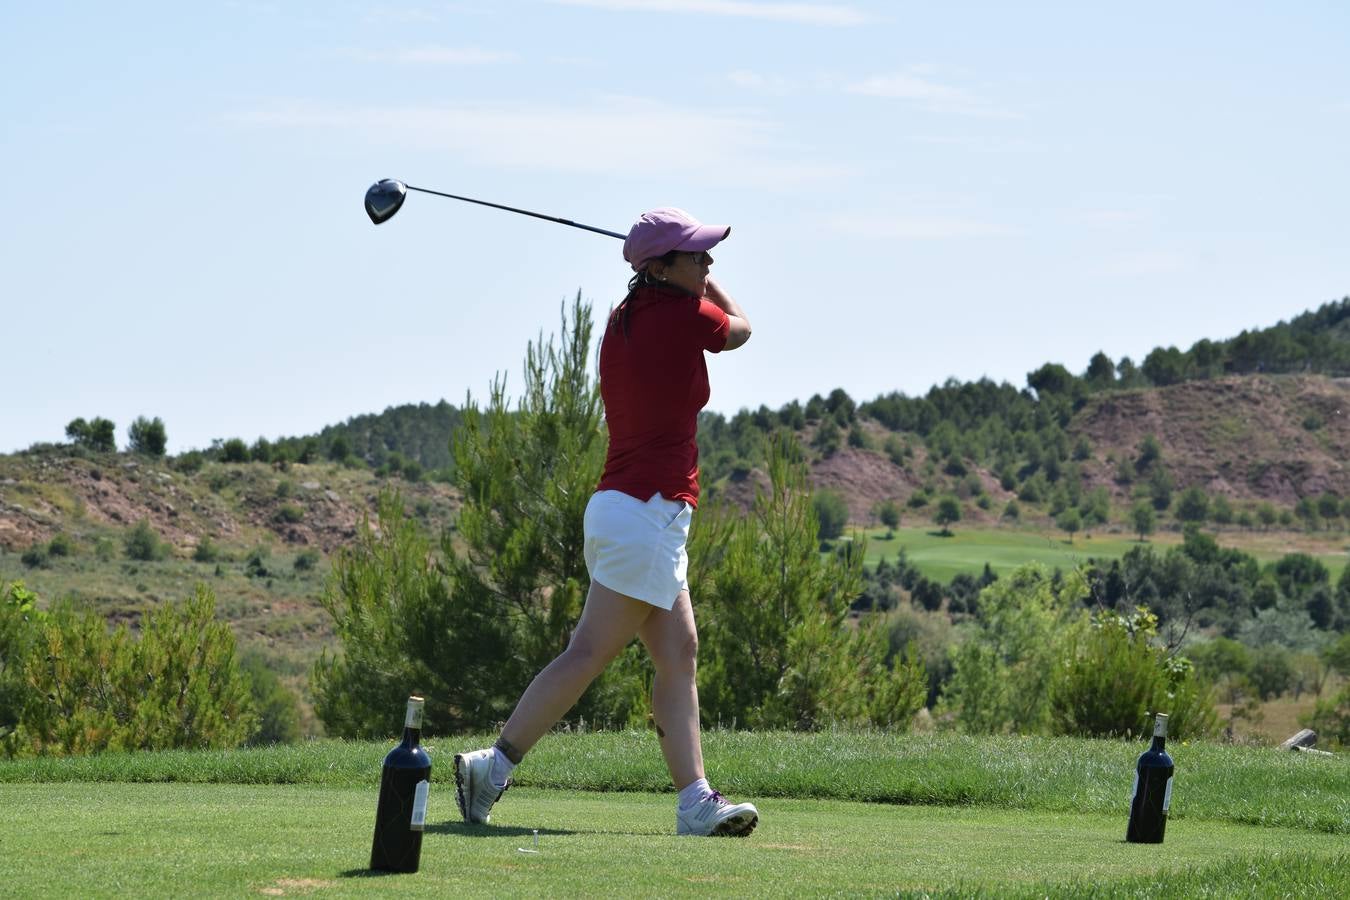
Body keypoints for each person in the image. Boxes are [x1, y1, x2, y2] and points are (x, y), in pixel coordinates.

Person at [454, 207, 758, 837]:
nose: (707, 263)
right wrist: (714, 288)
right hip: (648, 509)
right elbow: (742, 332)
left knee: (678, 652)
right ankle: (494, 764)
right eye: (697, 255)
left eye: (707, 255)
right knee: (589, 652)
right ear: (659, 266)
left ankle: (694, 801)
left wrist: (687, 275)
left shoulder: (624, 320)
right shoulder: (680, 314)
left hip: (635, 511)